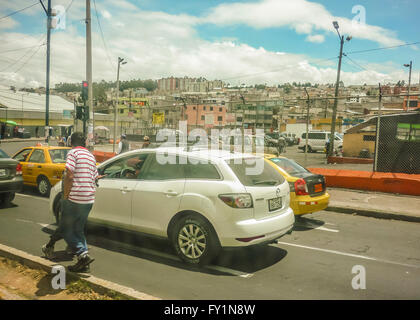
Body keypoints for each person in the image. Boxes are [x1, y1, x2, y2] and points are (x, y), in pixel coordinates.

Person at [42, 132, 99, 273]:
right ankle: (84, 263)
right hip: (89, 199)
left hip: (75, 198)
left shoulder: (73, 153)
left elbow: (69, 174)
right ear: (84, 142)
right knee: (78, 229)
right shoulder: (91, 156)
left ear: (71, 143)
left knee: (66, 229)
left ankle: (82, 255)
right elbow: (96, 177)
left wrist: (66, 196)